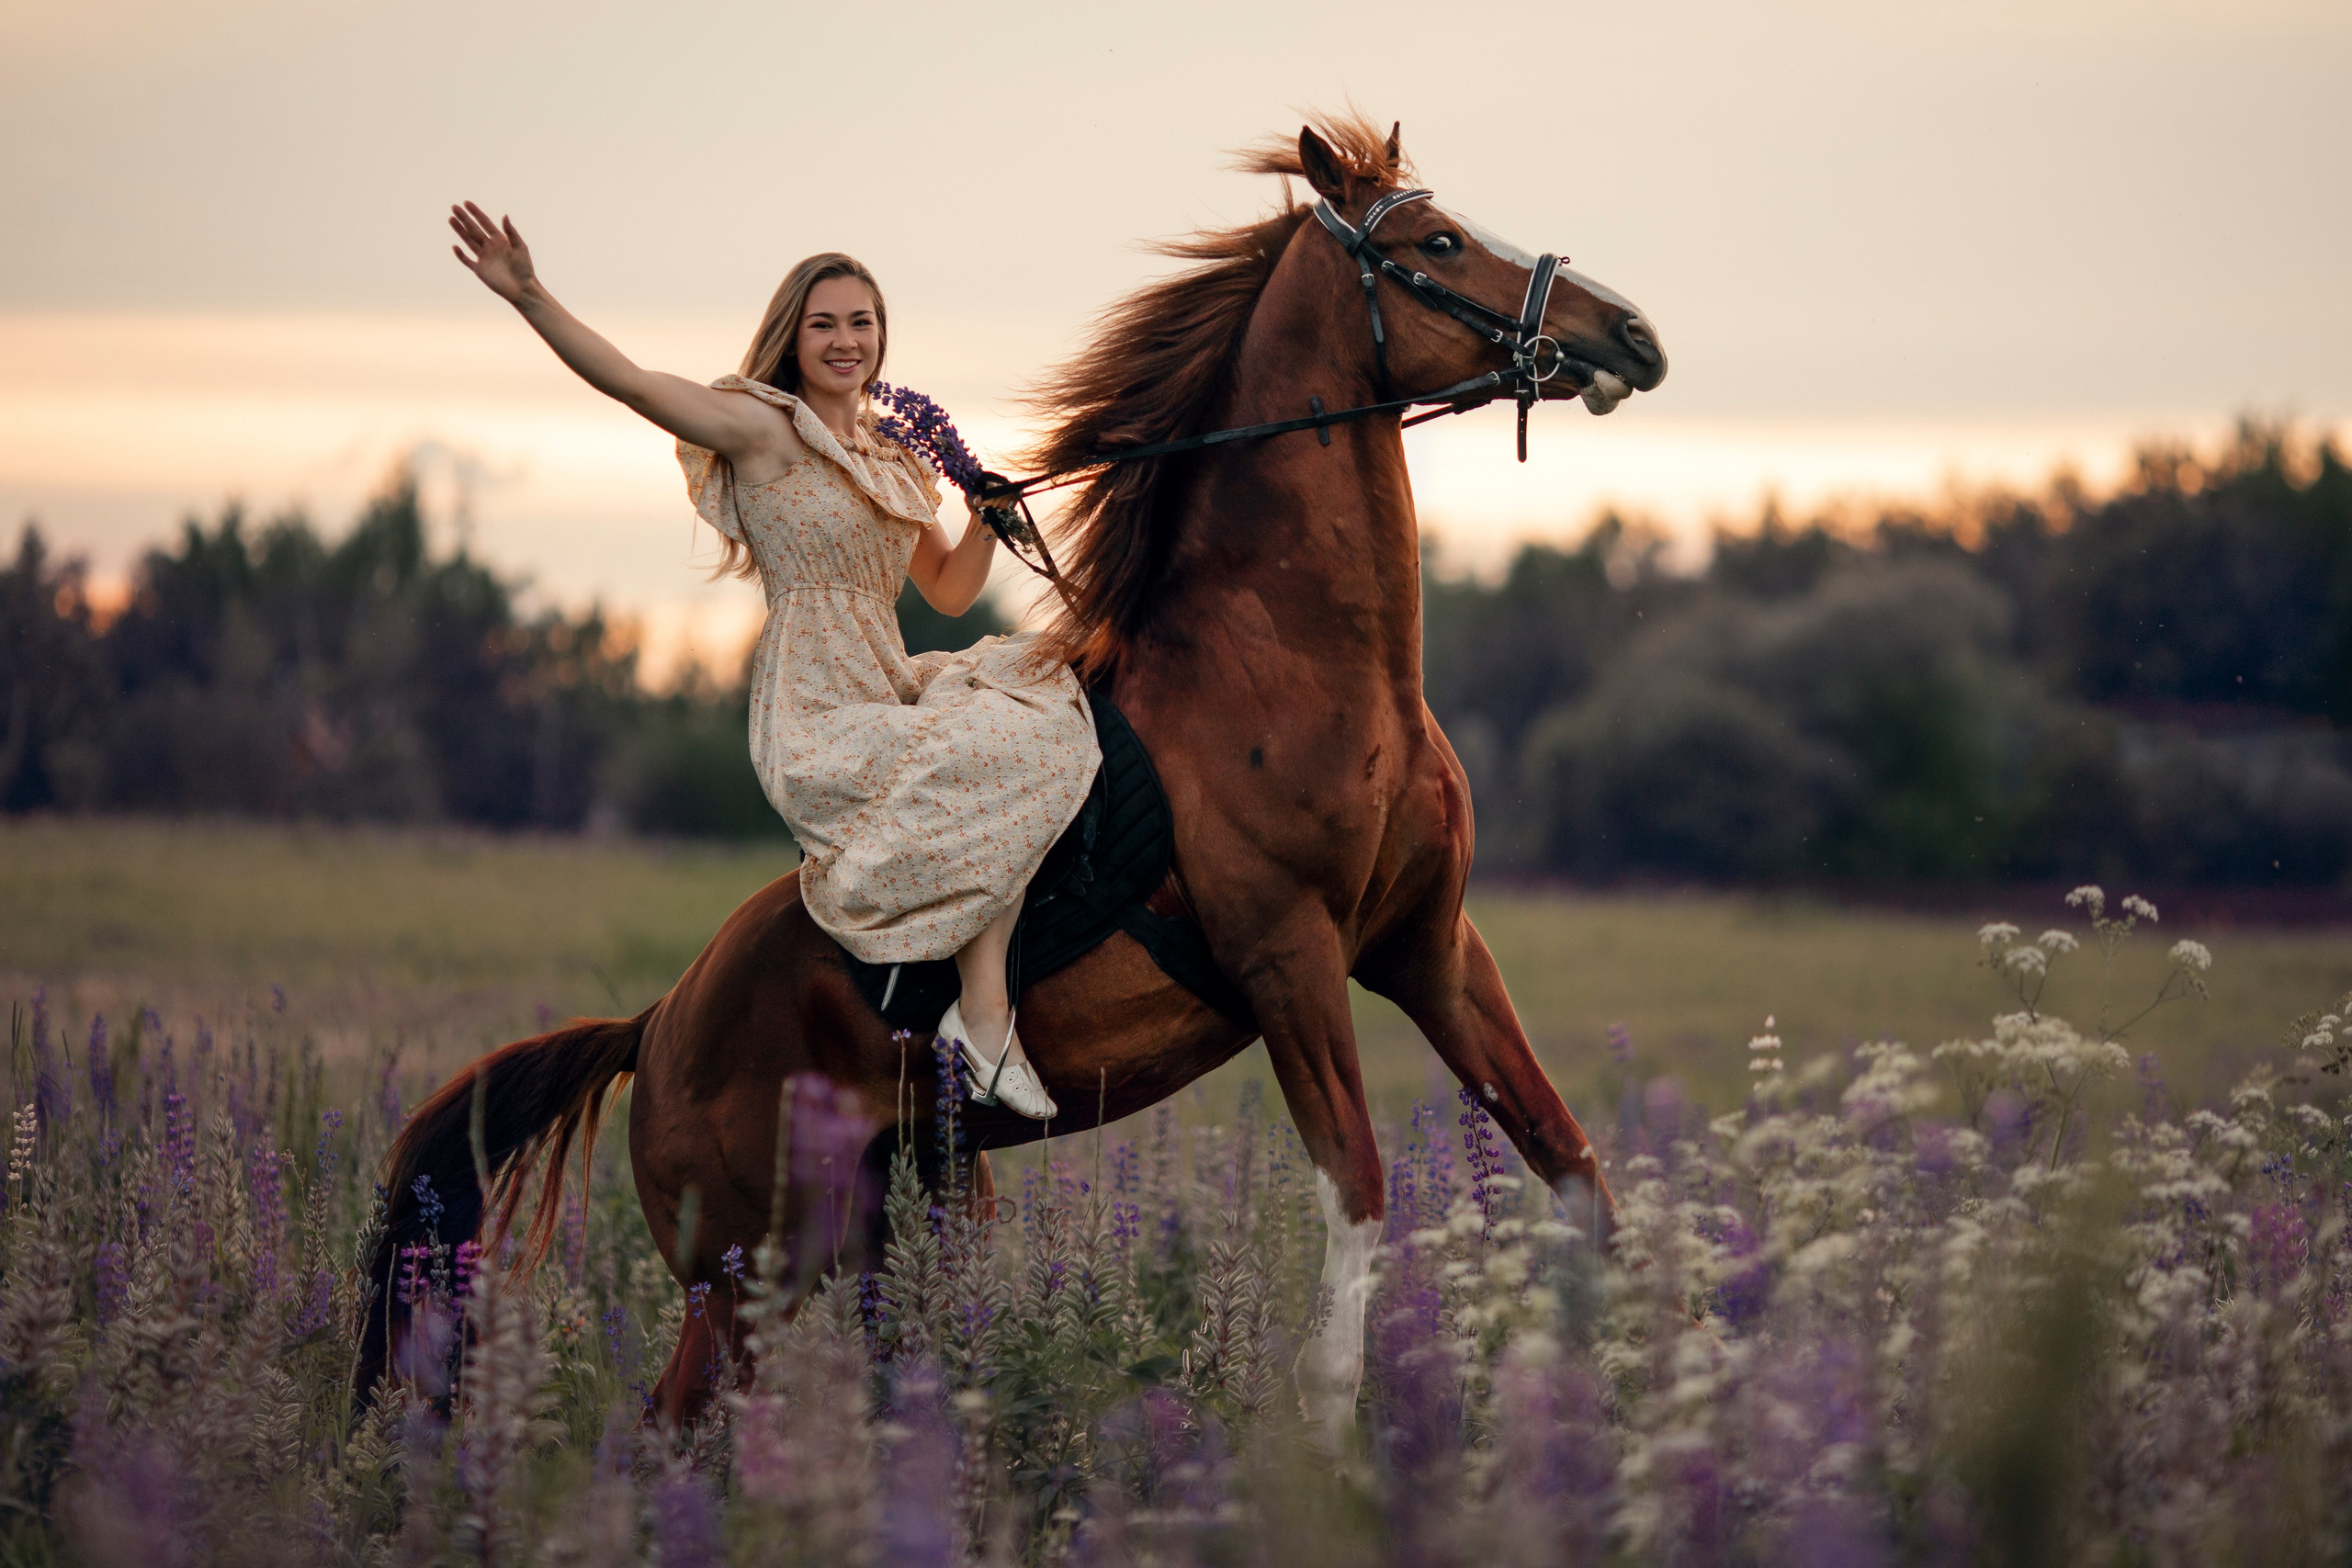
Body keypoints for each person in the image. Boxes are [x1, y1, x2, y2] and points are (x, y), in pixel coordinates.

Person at [447, 201, 1094, 1118]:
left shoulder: (896, 458)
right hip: (818, 706)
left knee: (1039, 707)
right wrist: (529, 295)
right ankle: (985, 1020)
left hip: (890, 682)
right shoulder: (763, 429)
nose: (845, 341)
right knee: (985, 750)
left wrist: (988, 519)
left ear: (882, 336)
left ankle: (983, 1013)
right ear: (793, 336)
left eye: (861, 322)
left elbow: (950, 591)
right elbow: (633, 384)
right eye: (823, 324)